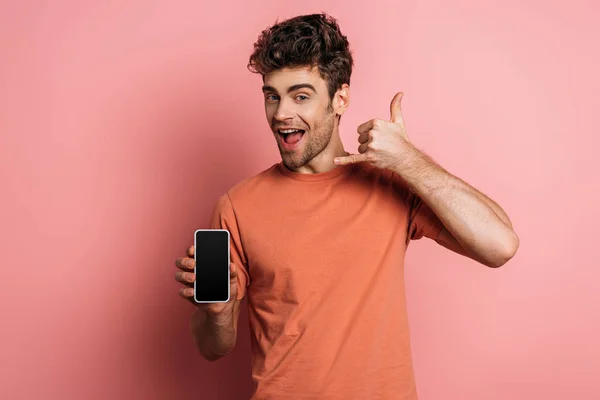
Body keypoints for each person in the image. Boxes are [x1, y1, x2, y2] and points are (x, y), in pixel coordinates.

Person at [174, 13, 519, 400]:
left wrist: (409, 161)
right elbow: (211, 347)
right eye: (272, 96)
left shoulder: (391, 184)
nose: (281, 113)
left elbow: (500, 245)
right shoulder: (237, 206)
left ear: (340, 98)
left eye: (300, 96)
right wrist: (217, 313)